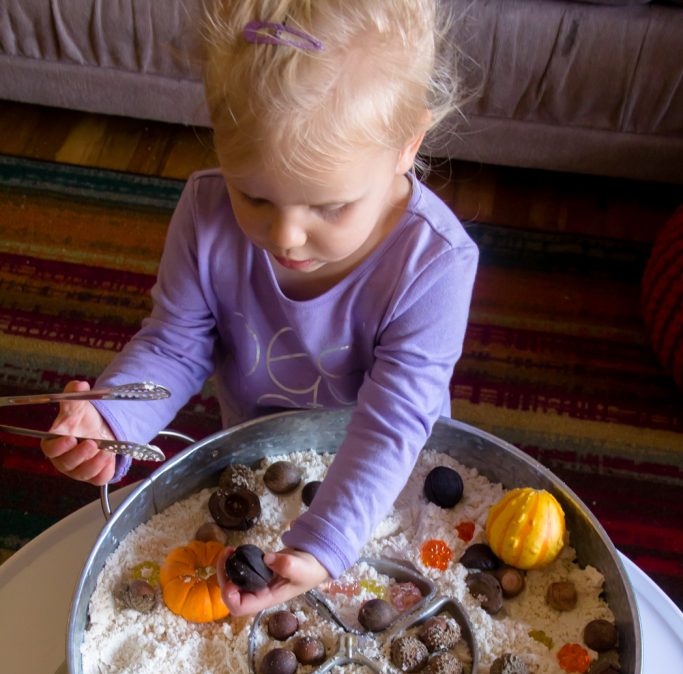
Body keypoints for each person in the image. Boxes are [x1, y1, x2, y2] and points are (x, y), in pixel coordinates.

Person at [42, 0, 478, 616]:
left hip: (385, 482)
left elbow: (391, 423)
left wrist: (326, 544)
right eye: (255, 196)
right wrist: (116, 420)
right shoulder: (206, 213)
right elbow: (175, 342)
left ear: (407, 146)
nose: (286, 236)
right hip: (254, 451)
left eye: (328, 208)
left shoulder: (435, 265)